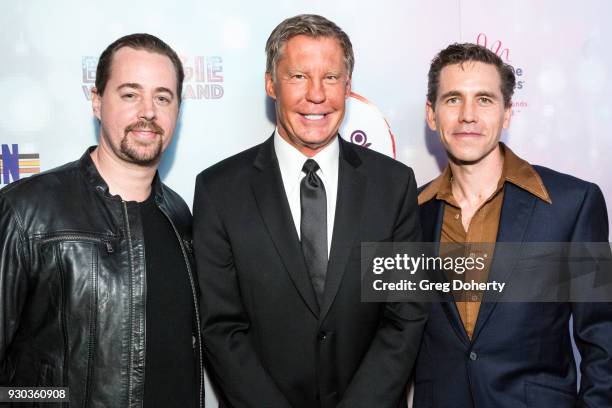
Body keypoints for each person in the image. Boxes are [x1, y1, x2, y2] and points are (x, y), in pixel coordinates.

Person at [193, 14, 426, 408]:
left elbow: (404, 317)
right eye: (298, 76)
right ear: (271, 84)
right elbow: (221, 327)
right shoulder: (219, 190)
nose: (316, 95)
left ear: (348, 88)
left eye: (331, 78)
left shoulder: (394, 185)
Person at [0, 33, 203, 407]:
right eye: (130, 94)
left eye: (163, 97)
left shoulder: (180, 215)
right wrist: (53, 399)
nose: (148, 111)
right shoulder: (26, 211)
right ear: (97, 101)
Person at [414, 42, 612, 407]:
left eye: (485, 100)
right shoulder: (409, 212)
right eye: (453, 99)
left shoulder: (571, 204)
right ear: (432, 114)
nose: (468, 115)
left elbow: (604, 337)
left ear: (506, 114)